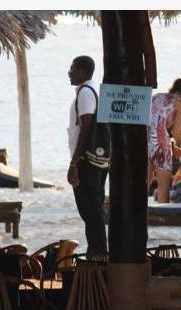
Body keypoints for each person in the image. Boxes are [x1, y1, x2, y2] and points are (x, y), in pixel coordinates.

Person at [66, 55, 107, 255]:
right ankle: (97, 252)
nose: (69, 73)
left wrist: (75, 162)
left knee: (90, 210)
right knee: (93, 209)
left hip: (86, 160)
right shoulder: (91, 91)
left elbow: (86, 125)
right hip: (93, 159)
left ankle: (97, 254)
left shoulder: (85, 93)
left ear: (82, 71)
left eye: (72, 69)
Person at [148, 78, 181, 203]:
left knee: (145, 178)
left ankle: (138, 210)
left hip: (142, 137)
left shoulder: (157, 97)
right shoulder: (180, 104)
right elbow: (178, 135)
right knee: (164, 181)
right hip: (160, 139)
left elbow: (156, 120)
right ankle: (163, 211)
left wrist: (173, 146)